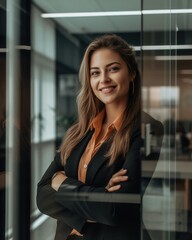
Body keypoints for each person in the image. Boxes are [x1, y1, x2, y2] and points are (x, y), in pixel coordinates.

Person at [37, 34, 162, 240]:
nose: (103, 79)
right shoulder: (78, 132)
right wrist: (99, 196)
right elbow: (42, 196)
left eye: (113, 69)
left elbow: (115, 210)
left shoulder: (148, 128)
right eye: (95, 73)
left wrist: (62, 183)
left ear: (131, 73)